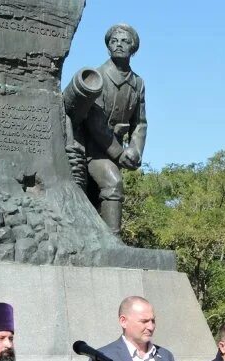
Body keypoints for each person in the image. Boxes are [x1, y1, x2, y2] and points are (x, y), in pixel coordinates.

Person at [74, 24, 146, 234]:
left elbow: (140, 123)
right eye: (113, 41)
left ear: (133, 47)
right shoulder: (97, 77)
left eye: (124, 41)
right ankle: (114, 243)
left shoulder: (138, 83)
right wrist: (119, 152)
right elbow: (95, 122)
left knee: (96, 197)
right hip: (93, 150)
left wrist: (135, 150)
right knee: (113, 183)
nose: (118, 45)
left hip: (116, 152)